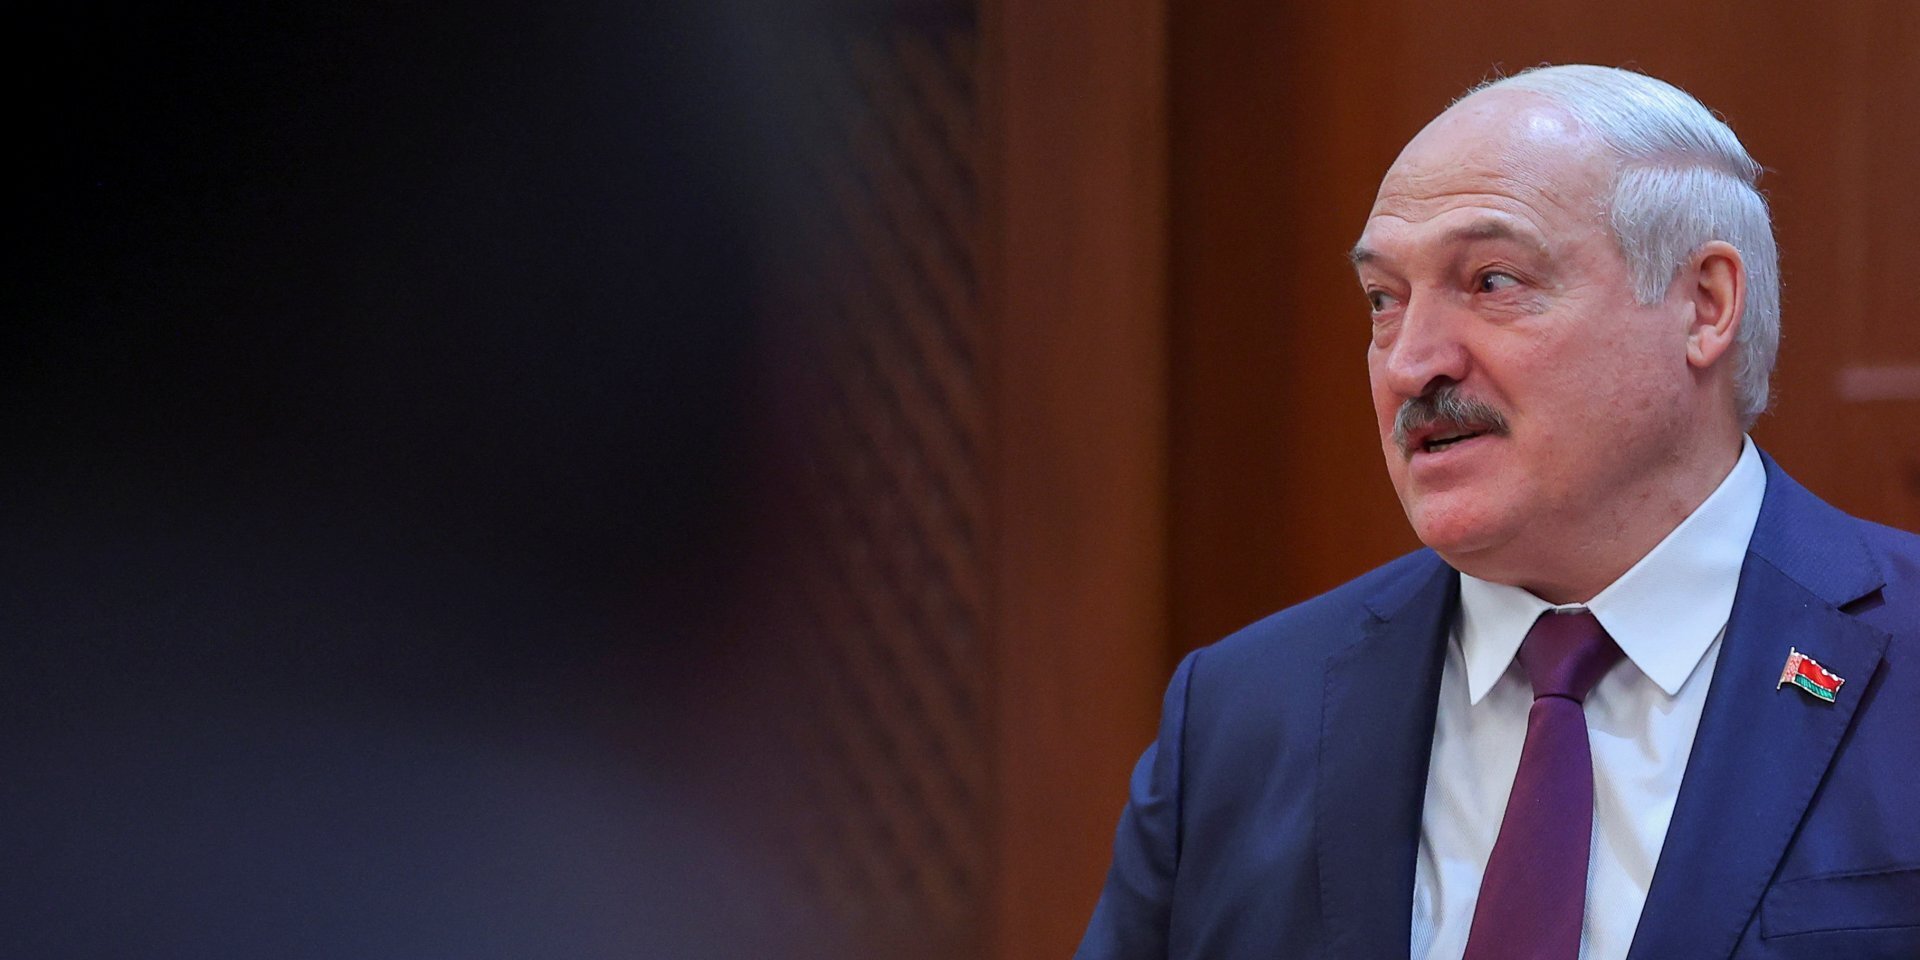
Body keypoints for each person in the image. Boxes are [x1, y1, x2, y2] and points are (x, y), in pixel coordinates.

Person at [1075, 64, 1919, 960]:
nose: (1412, 364)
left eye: (1491, 282)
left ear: (1703, 306)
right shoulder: (1243, 714)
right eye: (1384, 300)